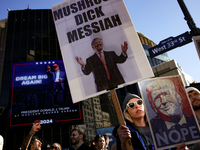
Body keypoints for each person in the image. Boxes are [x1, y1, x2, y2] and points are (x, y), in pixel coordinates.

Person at [113, 93, 188, 150]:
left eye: (139, 102)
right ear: (127, 112)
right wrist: (123, 143)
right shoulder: (125, 132)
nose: (137, 106)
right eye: (131, 105)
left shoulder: (161, 126)